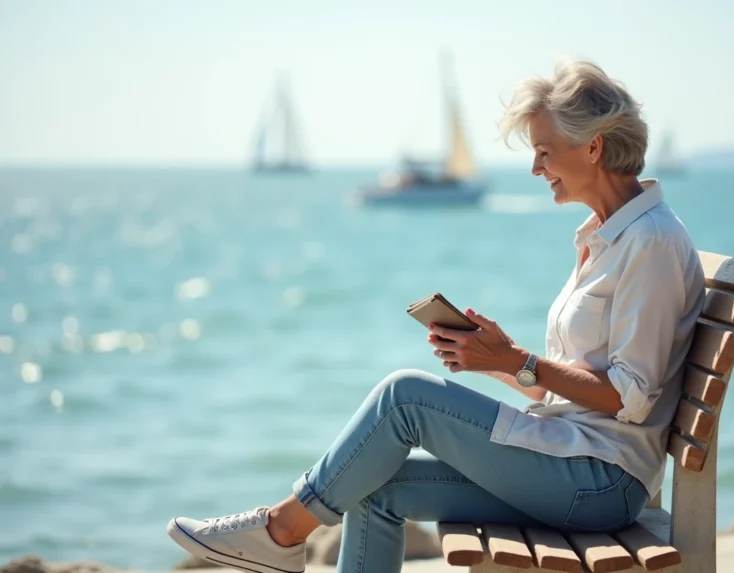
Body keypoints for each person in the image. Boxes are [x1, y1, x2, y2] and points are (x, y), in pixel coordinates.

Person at [166, 59, 706, 573]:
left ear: (593, 147)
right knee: (372, 484)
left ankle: (281, 531)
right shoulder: (604, 239)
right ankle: (281, 534)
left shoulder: (650, 242)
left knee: (406, 395)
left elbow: (629, 398)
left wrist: (520, 361)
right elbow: (567, 390)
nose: (535, 167)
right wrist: (491, 360)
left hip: (598, 482)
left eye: (543, 151)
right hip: (566, 458)